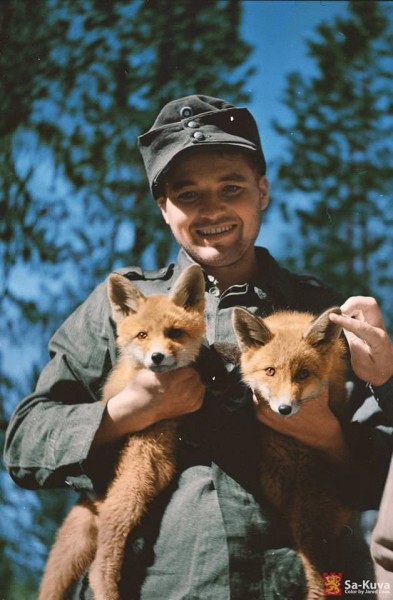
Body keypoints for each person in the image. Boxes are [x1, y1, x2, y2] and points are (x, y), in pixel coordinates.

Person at [4, 95, 393, 600]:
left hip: (308, 583)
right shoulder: (121, 308)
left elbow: (379, 483)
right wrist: (127, 410)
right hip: (158, 582)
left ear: (262, 191)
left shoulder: (321, 311)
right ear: (164, 208)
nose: (211, 209)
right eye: (187, 195)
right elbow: (24, 444)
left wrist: (340, 425)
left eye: (231, 187)